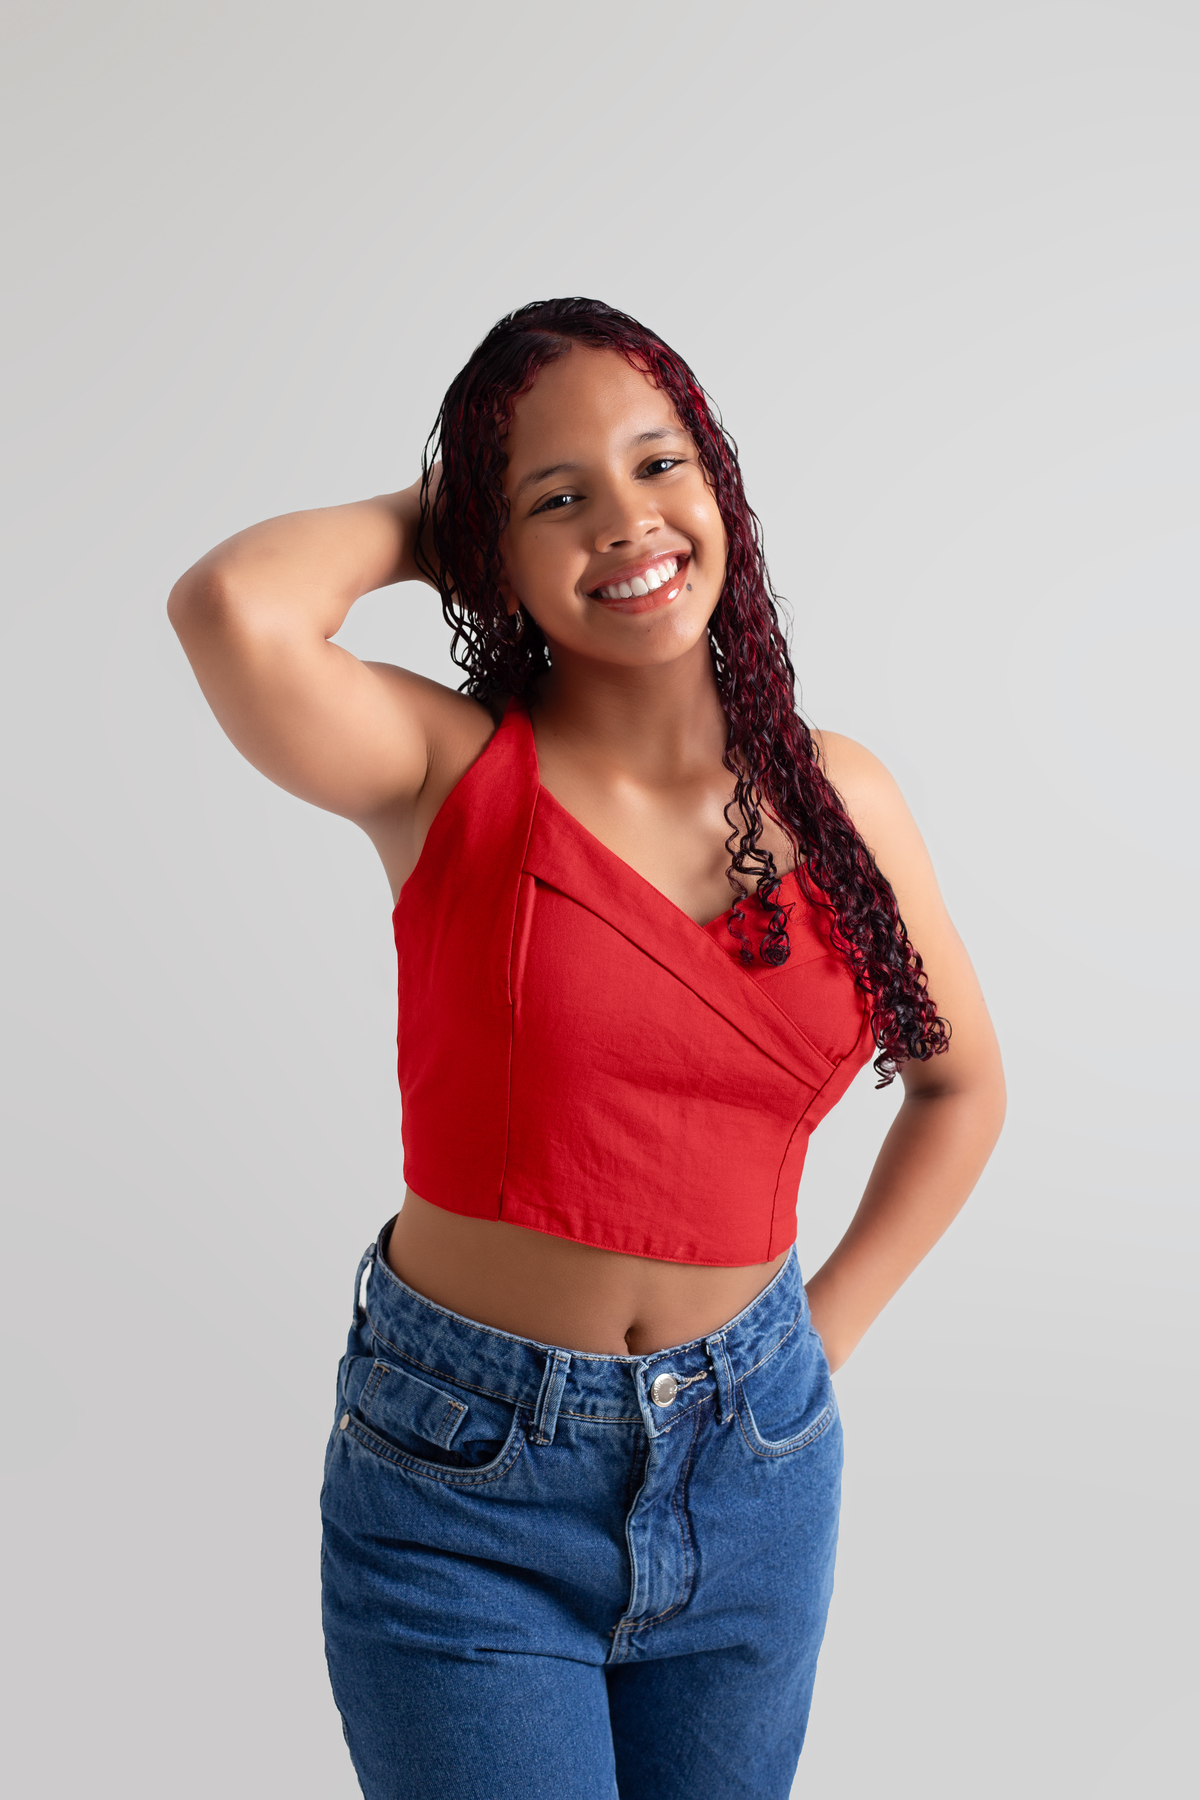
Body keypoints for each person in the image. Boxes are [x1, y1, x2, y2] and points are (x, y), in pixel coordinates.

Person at [168, 297, 1005, 1800]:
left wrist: (810, 1351)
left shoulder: (842, 801)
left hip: (755, 1472)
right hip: (466, 1490)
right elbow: (230, 607)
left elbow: (961, 1087)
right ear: (490, 551)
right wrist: (439, 513)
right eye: (556, 497)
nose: (626, 521)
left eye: (658, 464)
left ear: (720, 484)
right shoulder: (445, 771)